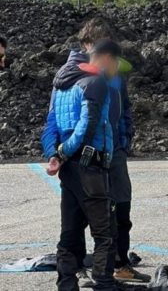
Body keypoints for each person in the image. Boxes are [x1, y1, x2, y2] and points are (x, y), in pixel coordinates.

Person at [54, 18, 144, 284]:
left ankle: (119, 263)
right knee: (93, 224)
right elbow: (81, 122)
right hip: (87, 159)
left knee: (120, 208)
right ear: (86, 45)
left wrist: (125, 139)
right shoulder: (80, 77)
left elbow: (124, 109)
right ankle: (93, 274)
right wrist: (62, 151)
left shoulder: (112, 76)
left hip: (111, 151)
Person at [41, 39, 123, 291]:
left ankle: (66, 284)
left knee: (70, 232)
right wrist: (64, 152)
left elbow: (50, 125)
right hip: (91, 167)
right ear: (107, 58)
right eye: (117, 63)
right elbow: (87, 125)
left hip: (69, 171)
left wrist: (53, 154)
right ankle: (104, 284)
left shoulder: (61, 84)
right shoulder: (95, 81)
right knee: (105, 233)